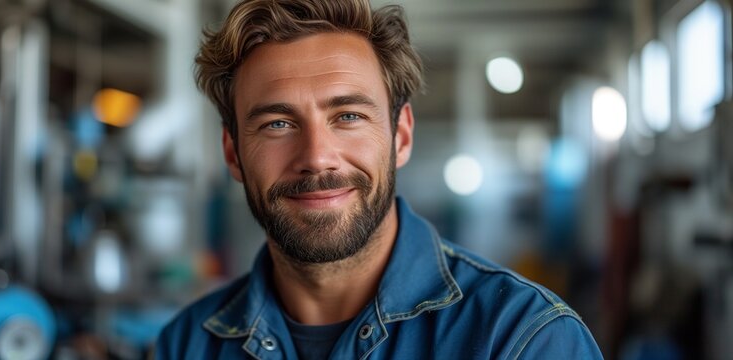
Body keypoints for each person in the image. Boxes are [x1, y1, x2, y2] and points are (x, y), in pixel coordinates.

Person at [155, 0, 603, 358]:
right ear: (232, 152)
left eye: (347, 116)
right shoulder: (185, 345)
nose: (316, 158)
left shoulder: (522, 339)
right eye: (277, 123)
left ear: (401, 135)